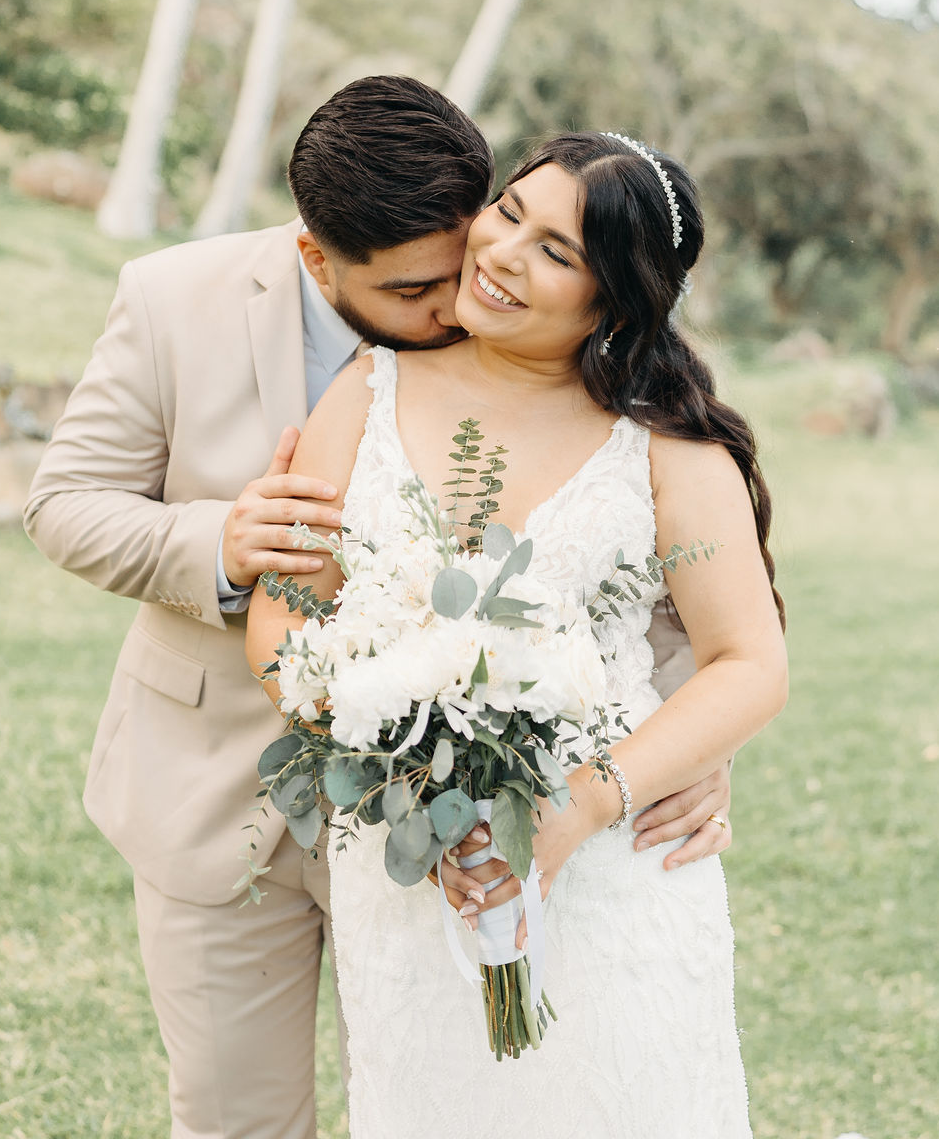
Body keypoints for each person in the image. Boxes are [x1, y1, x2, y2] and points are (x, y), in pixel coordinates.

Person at [24, 80, 731, 1139]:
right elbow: (63, 503)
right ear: (318, 259)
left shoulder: (532, 321)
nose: (461, 305)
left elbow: (650, 582)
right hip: (215, 799)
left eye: (477, 251)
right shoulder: (174, 299)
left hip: (481, 830)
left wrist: (671, 749)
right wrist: (218, 542)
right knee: (235, 1120)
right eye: (415, 293)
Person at [246, 131, 787, 1139]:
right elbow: (289, 606)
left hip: (613, 869)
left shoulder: (668, 446)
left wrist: (579, 806)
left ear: (614, 298)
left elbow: (747, 665)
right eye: (509, 214)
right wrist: (368, 727)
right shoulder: (367, 390)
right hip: (411, 870)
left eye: (557, 253)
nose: (500, 254)